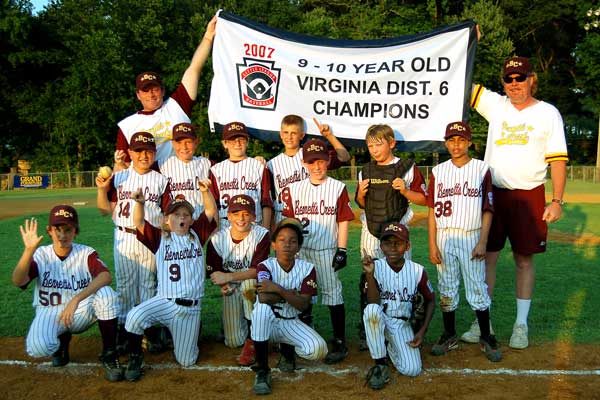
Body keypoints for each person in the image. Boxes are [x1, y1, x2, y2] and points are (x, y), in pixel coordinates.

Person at [463, 56, 569, 349]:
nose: (514, 84)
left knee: (524, 259)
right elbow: (463, 80)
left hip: (529, 194)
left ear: (532, 79)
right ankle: (481, 320)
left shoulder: (548, 113)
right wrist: (472, 44)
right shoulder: (496, 106)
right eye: (508, 79)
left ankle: (520, 325)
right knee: (487, 258)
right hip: (494, 194)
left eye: (520, 78)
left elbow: (558, 160)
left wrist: (557, 200)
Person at [11, 205, 122, 382]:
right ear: (49, 231)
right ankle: (61, 344)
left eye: (68, 230)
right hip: (49, 312)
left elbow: (105, 276)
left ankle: (110, 354)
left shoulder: (85, 253)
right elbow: (18, 281)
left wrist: (77, 299)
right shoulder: (41, 254)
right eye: (57, 230)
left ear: (75, 231)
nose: (62, 236)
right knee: (38, 348)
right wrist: (28, 251)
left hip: (79, 311)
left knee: (107, 295)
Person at [121, 188, 216, 380]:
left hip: (190, 310)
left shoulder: (197, 234)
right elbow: (138, 223)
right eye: (176, 214)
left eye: (186, 215)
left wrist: (206, 193)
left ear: (191, 219)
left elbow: (211, 212)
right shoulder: (160, 238)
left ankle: (191, 332)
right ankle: (135, 358)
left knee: (186, 361)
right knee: (133, 317)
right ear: (167, 219)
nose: (182, 218)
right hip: (164, 301)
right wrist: (139, 203)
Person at [427, 121, 500, 362]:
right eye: (451, 140)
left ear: (469, 142)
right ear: (446, 143)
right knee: (447, 287)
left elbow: (488, 209)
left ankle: (486, 336)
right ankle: (449, 334)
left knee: (476, 287)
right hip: (444, 235)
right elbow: (431, 210)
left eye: (461, 140)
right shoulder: (438, 171)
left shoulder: (481, 169)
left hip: (471, 235)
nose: (456, 144)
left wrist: (482, 241)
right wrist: (432, 244)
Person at [281, 138, 354, 364]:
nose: (317, 166)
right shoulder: (293, 189)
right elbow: (289, 221)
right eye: (312, 162)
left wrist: (342, 249)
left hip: (325, 249)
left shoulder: (337, 187)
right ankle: (300, 335)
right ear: (304, 163)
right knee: (299, 293)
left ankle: (340, 341)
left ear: (328, 160)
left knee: (332, 292)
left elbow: (343, 220)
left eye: (321, 161)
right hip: (301, 252)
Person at [96, 131, 171, 352]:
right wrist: (102, 189)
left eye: (148, 151)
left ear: (154, 153)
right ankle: (125, 332)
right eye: (138, 151)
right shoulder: (119, 177)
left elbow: (166, 213)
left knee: (149, 284)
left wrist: (165, 231)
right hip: (125, 235)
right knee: (126, 286)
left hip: (150, 237)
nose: (143, 155)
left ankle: (148, 330)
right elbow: (103, 210)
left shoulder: (161, 180)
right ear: (130, 153)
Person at [354, 124, 428, 350]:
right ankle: (369, 326)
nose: (374, 150)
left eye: (378, 144)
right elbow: (362, 204)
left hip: (398, 232)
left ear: (392, 143)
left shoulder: (407, 168)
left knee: (403, 279)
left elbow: (424, 199)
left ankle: (407, 324)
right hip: (371, 231)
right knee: (369, 278)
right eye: (370, 146)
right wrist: (360, 195)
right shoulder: (365, 170)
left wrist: (405, 191)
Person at [113, 16, 217, 170]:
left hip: (182, 179)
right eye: (146, 90)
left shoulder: (177, 105)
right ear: (138, 94)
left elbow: (194, 68)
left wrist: (208, 37)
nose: (151, 94)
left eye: (155, 89)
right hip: (150, 185)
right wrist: (118, 166)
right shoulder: (127, 125)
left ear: (162, 91)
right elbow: (123, 166)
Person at [251, 218, 328, 395]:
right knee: (261, 310)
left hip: (291, 321)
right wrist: (292, 294)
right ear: (273, 244)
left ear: (299, 247)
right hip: (268, 323)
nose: (287, 244)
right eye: (282, 240)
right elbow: (263, 297)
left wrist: (278, 289)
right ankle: (263, 370)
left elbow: (303, 305)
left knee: (318, 349)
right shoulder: (265, 265)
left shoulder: (308, 268)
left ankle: (287, 350)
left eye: (293, 241)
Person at [361, 222, 435, 390]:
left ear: (407, 246)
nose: (392, 248)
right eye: (387, 243)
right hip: (381, 318)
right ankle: (380, 363)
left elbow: (431, 300)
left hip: (402, 325)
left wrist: (422, 332)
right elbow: (372, 303)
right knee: (372, 311)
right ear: (381, 246)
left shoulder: (417, 271)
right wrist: (370, 274)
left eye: (398, 243)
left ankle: (389, 345)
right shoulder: (375, 266)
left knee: (412, 369)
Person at [206, 194, 270, 366]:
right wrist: (224, 284)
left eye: (246, 213)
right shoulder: (218, 239)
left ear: (254, 217)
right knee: (233, 341)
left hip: (255, 284)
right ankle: (258, 329)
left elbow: (258, 271)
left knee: (248, 286)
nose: (241, 218)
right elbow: (214, 272)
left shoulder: (262, 235)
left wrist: (229, 276)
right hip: (231, 286)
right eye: (236, 213)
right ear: (228, 216)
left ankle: (253, 338)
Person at [267, 115, 350, 224]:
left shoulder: (312, 154)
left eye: (294, 133)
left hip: (313, 213)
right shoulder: (271, 164)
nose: (289, 137)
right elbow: (269, 199)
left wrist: (329, 136)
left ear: (302, 135)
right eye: (286, 132)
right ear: (281, 134)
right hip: (283, 216)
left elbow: (344, 157)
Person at [210, 121, 273, 230]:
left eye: (242, 139)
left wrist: (265, 229)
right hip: (225, 226)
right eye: (232, 139)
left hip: (254, 226)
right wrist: (216, 231)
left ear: (248, 142)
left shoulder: (259, 166)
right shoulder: (216, 170)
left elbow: (266, 202)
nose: (237, 143)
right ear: (225, 143)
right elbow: (213, 205)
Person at [158, 122, 214, 223]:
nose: (184, 147)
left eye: (188, 142)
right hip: (174, 224)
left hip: (199, 222)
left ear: (196, 142)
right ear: (172, 143)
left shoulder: (207, 163)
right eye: (179, 142)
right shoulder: (162, 165)